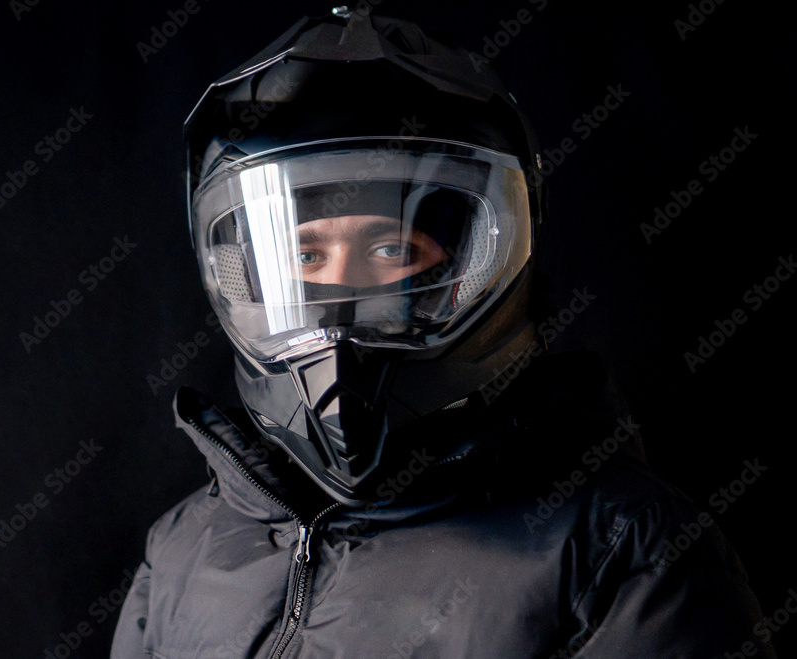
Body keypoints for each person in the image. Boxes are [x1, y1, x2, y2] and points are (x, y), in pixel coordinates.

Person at [112, 8, 776, 658]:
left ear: (486, 258)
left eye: (395, 253)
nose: (344, 311)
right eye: (306, 257)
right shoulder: (183, 550)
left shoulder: (626, 556)